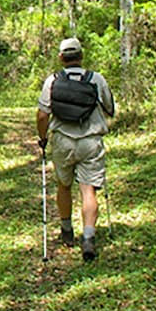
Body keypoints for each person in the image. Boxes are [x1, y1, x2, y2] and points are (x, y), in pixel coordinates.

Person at [36, 37, 115, 261]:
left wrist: (42, 138)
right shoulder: (96, 79)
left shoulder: (52, 81)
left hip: (62, 141)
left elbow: (43, 114)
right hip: (90, 141)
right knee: (88, 190)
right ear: (81, 56)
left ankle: (67, 230)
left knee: (64, 185)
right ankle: (88, 237)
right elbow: (110, 109)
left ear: (61, 57)